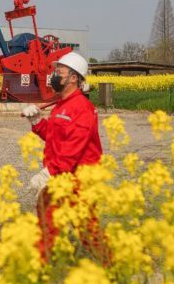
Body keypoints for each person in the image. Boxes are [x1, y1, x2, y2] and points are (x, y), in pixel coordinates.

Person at [21, 52, 109, 263]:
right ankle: (41, 267)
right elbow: (53, 137)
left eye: (59, 71)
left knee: (87, 230)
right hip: (61, 175)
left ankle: (110, 268)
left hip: (80, 180)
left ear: (72, 78)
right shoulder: (61, 105)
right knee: (47, 220)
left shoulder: (82, 108)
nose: (53, 75)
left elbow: (73, 148)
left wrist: (49, 173)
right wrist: (36, 121)